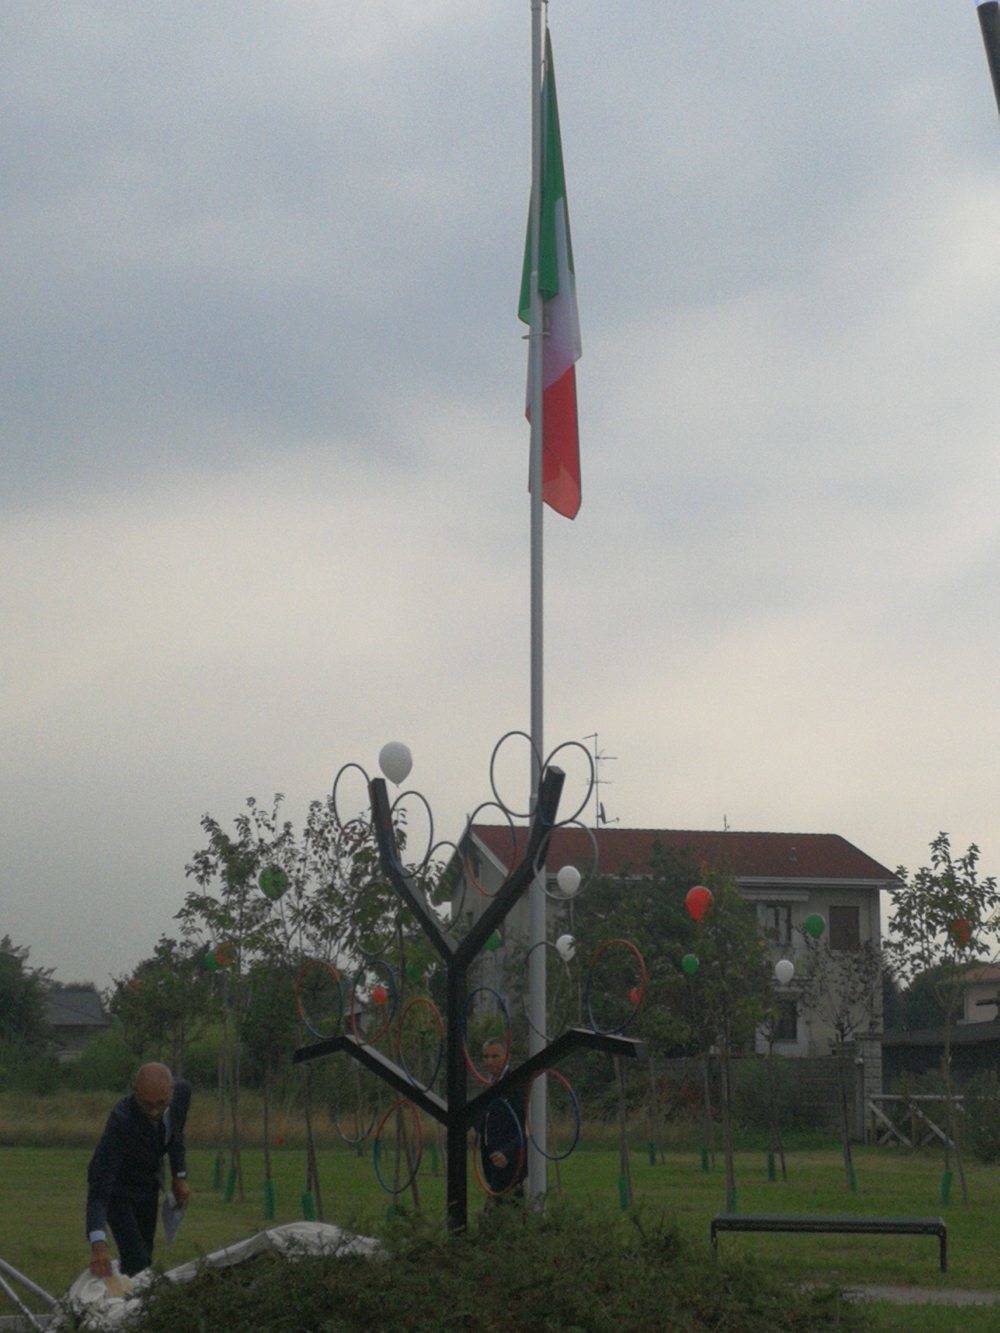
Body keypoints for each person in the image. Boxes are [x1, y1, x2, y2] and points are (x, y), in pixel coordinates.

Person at [86, 1063, 192, 1277]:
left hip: (148, 1186)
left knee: (144, 1257)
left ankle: (130, 1299)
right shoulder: (121, 1121)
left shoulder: (182, 1094)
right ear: (135, 1092)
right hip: (118, 1190)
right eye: (146, 1104)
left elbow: (176, 1134)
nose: (153, 1111)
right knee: (137, 1261)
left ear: (171, 1091)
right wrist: (98, 1245)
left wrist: (179, 1175)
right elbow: (99, 1190)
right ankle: (136, 1306)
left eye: (160, 1104)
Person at [478, 1039, 527, 1199]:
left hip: (509, 1161)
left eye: (494, 1056)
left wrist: (508, 1153)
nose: (489, 1061)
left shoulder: (515, 1083)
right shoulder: (489, 1083)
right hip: (492, 1158)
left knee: (504, 1208)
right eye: (485, 1057)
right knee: (501, 1210)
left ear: (506, 1056)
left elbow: (525, 1127)